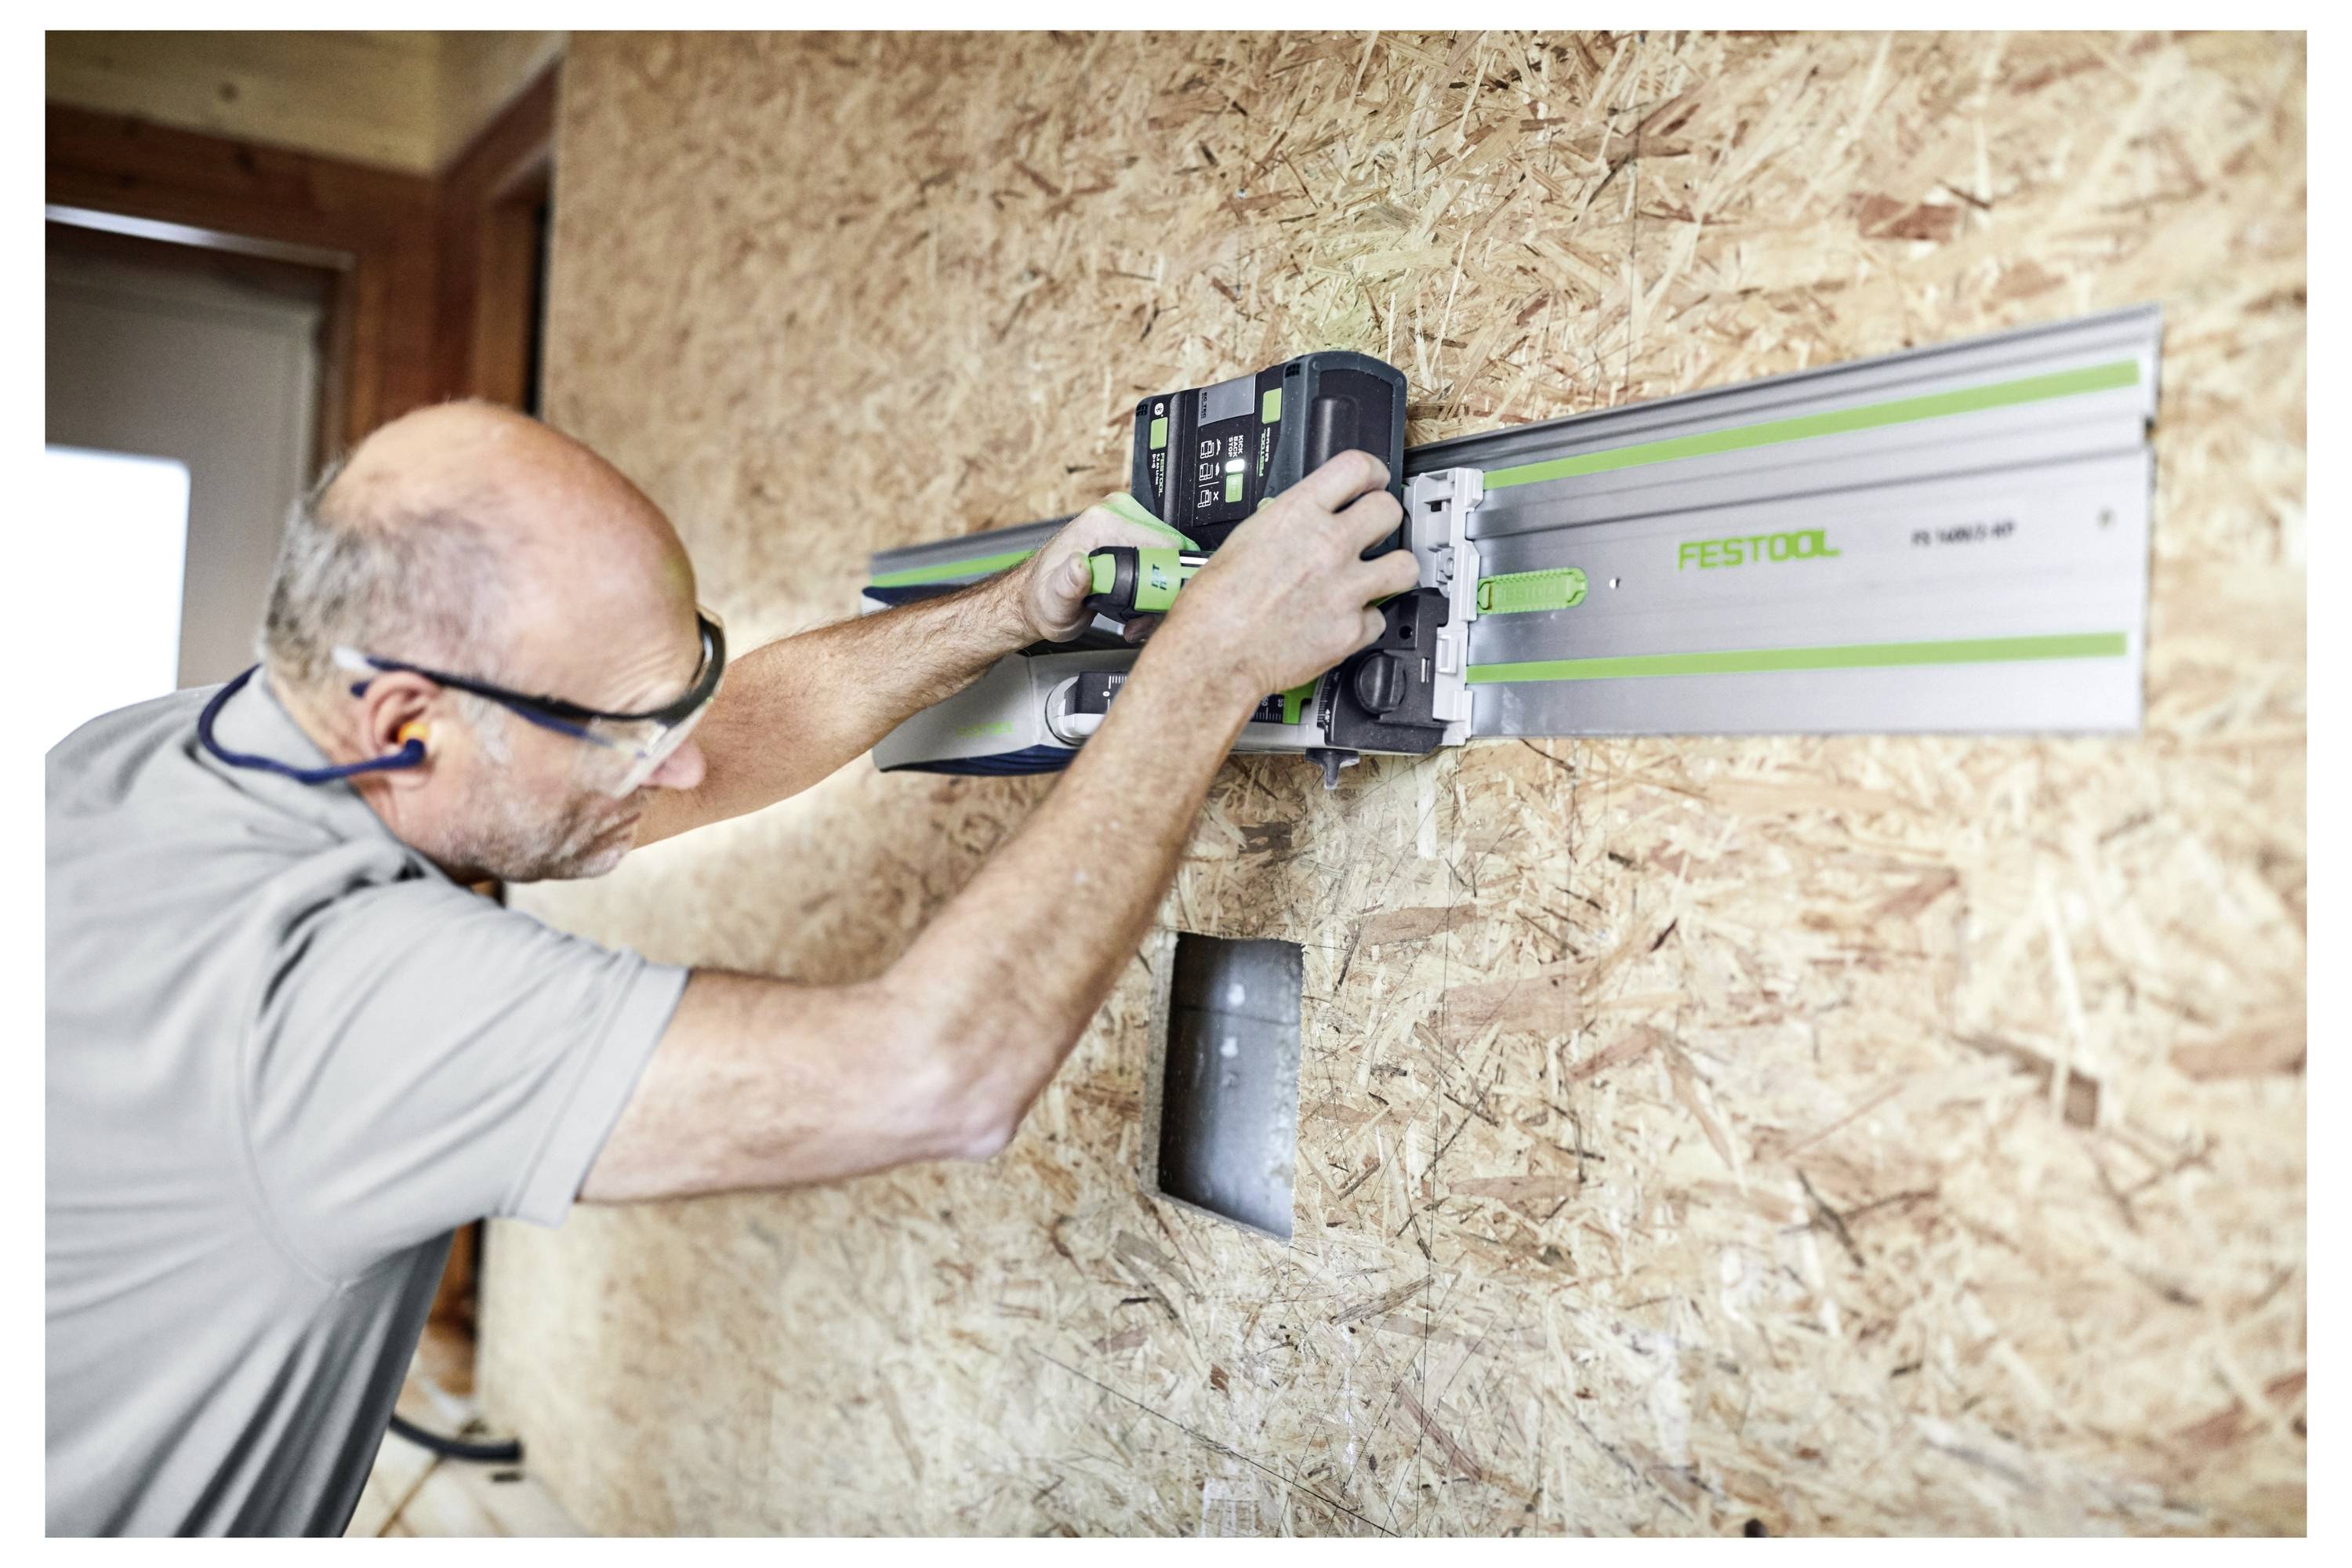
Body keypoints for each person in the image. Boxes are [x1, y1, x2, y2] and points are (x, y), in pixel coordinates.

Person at [45, 400, 1412, 1534]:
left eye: (677, 689)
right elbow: (933, 1073)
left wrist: (1009, 608)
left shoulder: (167, 754)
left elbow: (697, 745)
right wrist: (1212, 663)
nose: (682, 767)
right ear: (410, 720)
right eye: (626, 731)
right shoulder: (331, 1004)